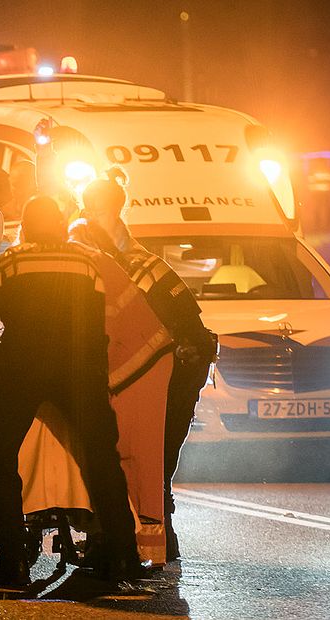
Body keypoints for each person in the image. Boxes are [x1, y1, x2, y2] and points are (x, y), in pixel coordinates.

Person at [0, 196, 142, 589]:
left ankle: (12, 563)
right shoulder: (85, 263)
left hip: (21, 369)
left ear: (27, 226)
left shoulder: (10, 262)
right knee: (102, 460)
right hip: (77, 372)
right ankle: (124, 557)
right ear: (61, 224)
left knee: (0, 457)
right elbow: (97, 324)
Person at [74, 176, 217, 561]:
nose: (88, 214)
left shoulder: (129, 262)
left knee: (147, 462)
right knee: (151, 465)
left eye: (93, 207)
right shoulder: (126, 255)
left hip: (172, 371)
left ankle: (141, 543)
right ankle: (153, 542)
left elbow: (182, 328)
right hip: (172, 367)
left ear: (109, 208)